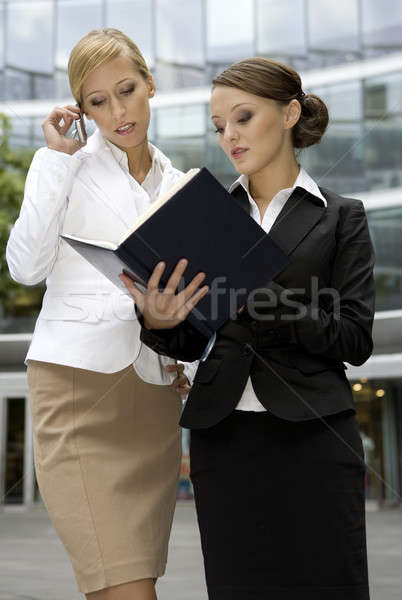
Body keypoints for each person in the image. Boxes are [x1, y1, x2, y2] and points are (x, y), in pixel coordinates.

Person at [120, 57, 375, 600]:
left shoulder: (340, 215)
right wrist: (160, 321)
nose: (228, 137)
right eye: (218, 127)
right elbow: (192, 338)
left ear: (289, 113)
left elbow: (354, 339)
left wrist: (263, 295)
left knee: (332, 584)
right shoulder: (204, 214)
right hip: (224, 437)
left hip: (316, 436)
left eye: (242, 117)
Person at [6, 28, 195, 600]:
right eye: (97, 101)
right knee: (122, 588)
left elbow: (195, 302)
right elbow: (25, 268)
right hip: (77, 393)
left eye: (127, 89)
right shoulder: (66, 167)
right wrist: (54, 163)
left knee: (136, 582)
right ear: (81, 110)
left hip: (153, 396)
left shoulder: (183, 185)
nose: (118, 111)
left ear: (151, 85)